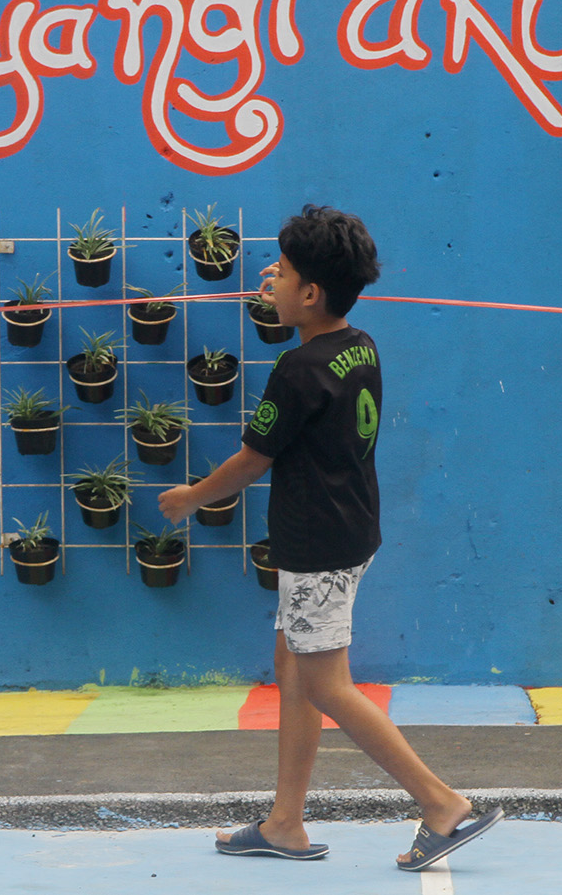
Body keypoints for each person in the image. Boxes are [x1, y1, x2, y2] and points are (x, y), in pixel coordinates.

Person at [158, 205, 501, 873]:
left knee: (324, 683)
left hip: (317, 548)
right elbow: (312, 398)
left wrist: (192, 496)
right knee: (293, 668)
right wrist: (295, 280)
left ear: (310, 293)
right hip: (349, 532)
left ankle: (441, 802)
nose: (270, 280)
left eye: (282, 273)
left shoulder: (296, 370)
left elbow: (253, 458)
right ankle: (284, 821)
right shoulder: (358, 343)